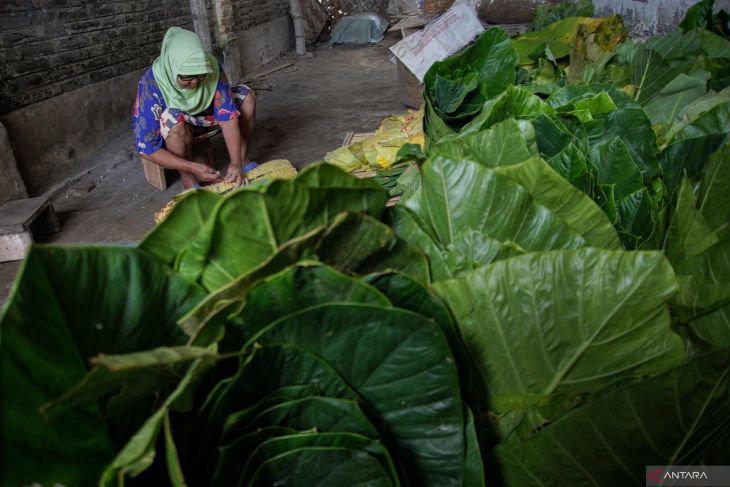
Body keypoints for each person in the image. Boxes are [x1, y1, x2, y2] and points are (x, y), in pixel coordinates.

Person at [132, 26, 256, 188]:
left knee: (247, 97)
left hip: (207, 115)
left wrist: (236, 162)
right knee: (171, 118)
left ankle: (243, 160)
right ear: (173, 67)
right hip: (178, 128)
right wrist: (191, 167)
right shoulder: (151, 84)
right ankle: (188, 179)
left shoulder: (211, 67)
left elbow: (227, 117)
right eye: (188, 78)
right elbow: (146, 147)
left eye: (200, 76)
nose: (195, 82)